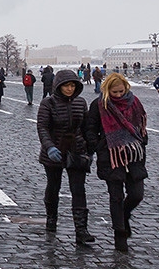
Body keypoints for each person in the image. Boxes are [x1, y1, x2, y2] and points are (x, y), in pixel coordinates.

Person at [85, 72, 147, 253]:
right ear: (107, 90)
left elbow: (141, 125)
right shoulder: (99, 105)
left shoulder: (134, 102)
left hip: (134, 156)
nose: (118, 95)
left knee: (137, 194)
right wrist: (98, 146)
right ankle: (120, 236)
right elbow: (90, 129)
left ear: (126, 88)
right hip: (110, 156)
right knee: (116, 197)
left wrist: (142, 142)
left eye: (121, 91)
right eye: (114, 92)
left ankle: (125, 215)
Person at [36, 69, 95, 246]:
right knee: (54, 187)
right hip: (54, 151)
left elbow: (85, 127)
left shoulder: (81, 102)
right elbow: (42, 128)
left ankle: (81, 230)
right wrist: (50, 147)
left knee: (78, 190)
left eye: (72, 86)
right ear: (58, 86)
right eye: (66, 86)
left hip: (76, 150)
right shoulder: (48, 103)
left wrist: (89, 150)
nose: (69, 89)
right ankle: (51, 218)